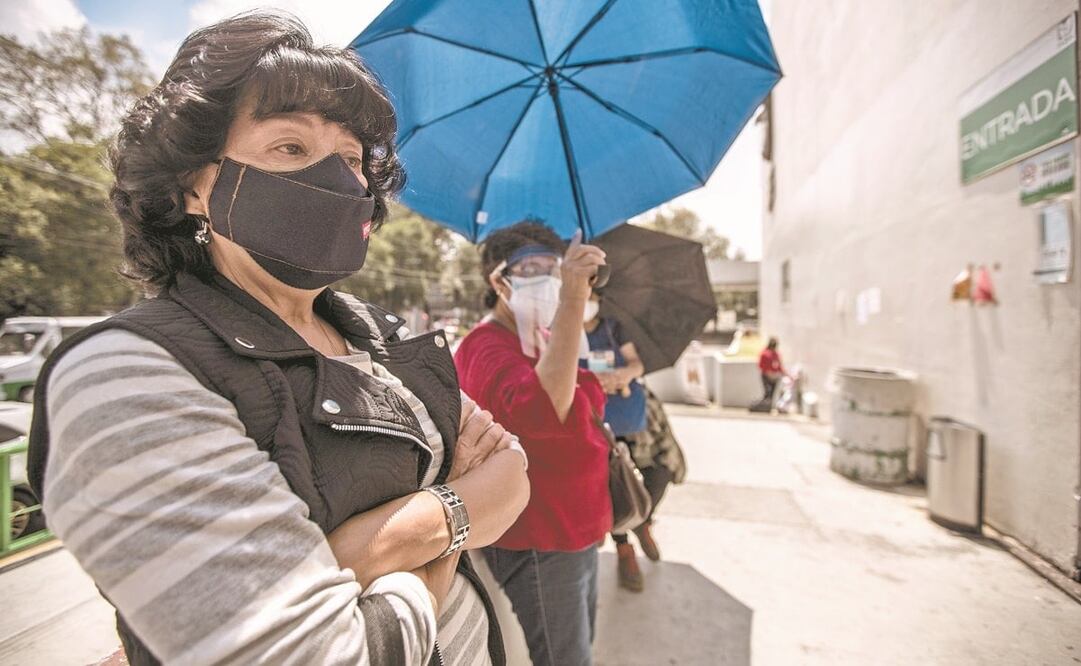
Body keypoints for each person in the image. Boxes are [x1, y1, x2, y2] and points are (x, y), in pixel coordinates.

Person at [26, 12, 531, 666]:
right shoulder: (123, 373)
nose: (339, 181)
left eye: (351, 158)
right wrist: (449, 526)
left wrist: (357, 554)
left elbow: (510, 471)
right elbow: (317, 654)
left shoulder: (378, 333)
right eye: (289, 147)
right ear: (191, 188)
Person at [454, 221, 611, 666]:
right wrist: (574, 298)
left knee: (578, 649)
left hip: (573, 531)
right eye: (530, 268)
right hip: (541, 541)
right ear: (498, 281)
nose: (546, 278)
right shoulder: (484, 346)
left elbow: (582, 403)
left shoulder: (540, 340)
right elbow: (541, 410)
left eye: (553, 267)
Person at [581, 292, 652, 591]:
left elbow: (637, 365)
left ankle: (643, 522)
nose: (585, 299)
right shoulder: (561, 332)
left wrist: (622, 375)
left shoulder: (614, 328)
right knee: (613, 486)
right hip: (591, 420)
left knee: (645, 477)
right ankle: (625, 545)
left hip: (625, 416)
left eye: (591, 293)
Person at [759, 336, 785, 404]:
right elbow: (761, 366)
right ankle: (766, 405)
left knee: (772, 393)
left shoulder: (775, 354)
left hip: (773, 376)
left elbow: (779, 366)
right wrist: (769, 372)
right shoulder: (765, 353)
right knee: (768, 392)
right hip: (766, 375)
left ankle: (769, 405)